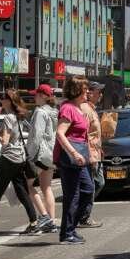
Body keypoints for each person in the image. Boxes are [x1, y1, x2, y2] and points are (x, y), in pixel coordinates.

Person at [0, 89, 40, 236]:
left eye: (3, 98)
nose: (1, 100)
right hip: (19, 158)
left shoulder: (8, 117)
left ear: (9, 100)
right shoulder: (17, 116)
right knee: (21, 191)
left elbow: (5, 142)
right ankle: (34, 221)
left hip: (8, 158)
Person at [55, 76, 94, 245]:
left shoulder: (80, 109)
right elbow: (60, 133)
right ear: (77, 90)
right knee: (72, 196)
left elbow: (83, 135)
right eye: (85, 89)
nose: (88, 92)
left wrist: (89, 153)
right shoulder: (68, 108)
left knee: (88, 190)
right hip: (71, 157)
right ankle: (67, 233)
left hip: (81, 155)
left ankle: (70, 227)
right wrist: (74, 153)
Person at [25, 84, 58, 234]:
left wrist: (29, 155)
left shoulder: (40, 112)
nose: (34, 97)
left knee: (26, 185)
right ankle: (51, 220)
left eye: (36, 95)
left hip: (40, 154)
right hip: (51, 154)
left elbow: (37, 136)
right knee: (47, 187)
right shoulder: (54, 112)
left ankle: (44, 217)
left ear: (43, 96)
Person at [79, 81, 105, 228]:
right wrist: (89, 154)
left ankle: (82, 213)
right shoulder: (85, 110)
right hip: (90, 154)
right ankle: (83, 215)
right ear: (89, 93)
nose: (100, 95)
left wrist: (100, 148)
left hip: (96, 152)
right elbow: (84, 134)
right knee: (92, 185)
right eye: (98, 92)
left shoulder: (92, 109)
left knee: (97, 183)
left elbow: (94, 134)